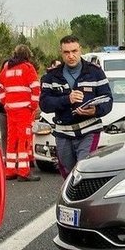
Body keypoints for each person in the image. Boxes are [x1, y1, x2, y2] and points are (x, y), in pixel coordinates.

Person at [39, 35, 112, 177]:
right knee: (68, 173)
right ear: (61, 52)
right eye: (66, 52)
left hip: (89, 130)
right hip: (63, 132)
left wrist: (95, 110)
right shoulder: (51, 76)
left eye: (74, 51)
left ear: (80, 50)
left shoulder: (95, 72)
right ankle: (70, 198)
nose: (71, 56)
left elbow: (108, 100)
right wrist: (67, 99)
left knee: (84, 170)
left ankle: (86, 198)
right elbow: (44, 104)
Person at [0, 45, 41, 181]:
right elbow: (35, 87)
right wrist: (33, 105)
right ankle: (23, 172)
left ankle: (10, 170)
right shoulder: (28, 68)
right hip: (24, 110)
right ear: (27, 55)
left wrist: (5, 102)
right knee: (24, 140)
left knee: (12, 139)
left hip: (11, 110)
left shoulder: (7, 68)